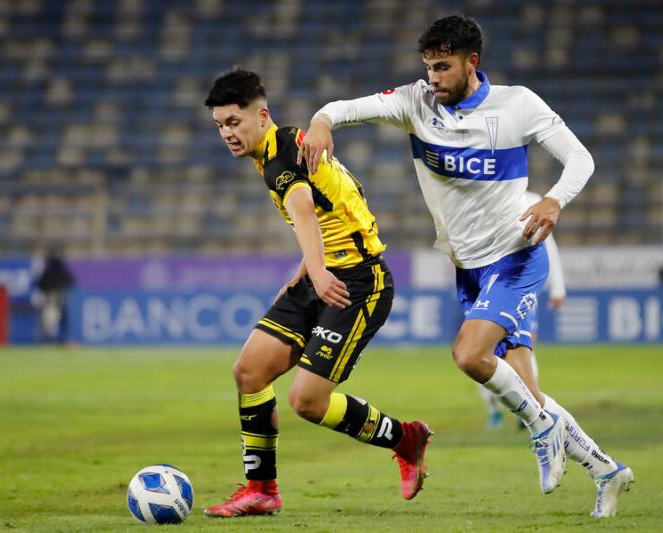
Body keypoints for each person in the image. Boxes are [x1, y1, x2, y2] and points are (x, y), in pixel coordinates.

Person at [299, 15, 633, 517]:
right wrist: (323, 122)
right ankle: (606, 470)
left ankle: (542, 430)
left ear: (471, 63)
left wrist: (555, 201)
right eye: (428, 67)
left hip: (516, 256)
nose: (433, 77)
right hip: (469, 268)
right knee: (528, 389)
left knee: (468, 354)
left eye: (443, 67)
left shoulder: (518, 105)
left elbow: (580, 158)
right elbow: (343, 108)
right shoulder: (415, 102)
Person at [203, 69, 432, 518]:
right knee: (249, 372)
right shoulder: (282, 147)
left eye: (234, 122)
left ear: (261, 114)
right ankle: (261, 489)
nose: (227, 133)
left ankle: (406, 439)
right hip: (322, 274)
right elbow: (338, 202)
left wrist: (321, 271)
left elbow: (305, 211)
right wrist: (307, 270)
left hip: (358, 283)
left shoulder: (280, 157)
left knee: (306, 402)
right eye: (219, 126)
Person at [478, 191, 566, 430]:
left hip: (522, 287)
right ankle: (495, 409)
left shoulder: (532, 200)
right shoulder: (482, 197)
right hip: (490, 287)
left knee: (523, 349)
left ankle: (528, 408)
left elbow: (549, 245)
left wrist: (557, 288)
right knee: (483, 352)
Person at [32, 249, 75, 344]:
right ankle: (59, 339)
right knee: (52, 321)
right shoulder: (59, 270)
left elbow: (40, 284)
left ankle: (51, 340)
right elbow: (71, 282)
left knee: (50, 321)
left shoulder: (50, 271)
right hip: (56, 300)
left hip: (54, 300)